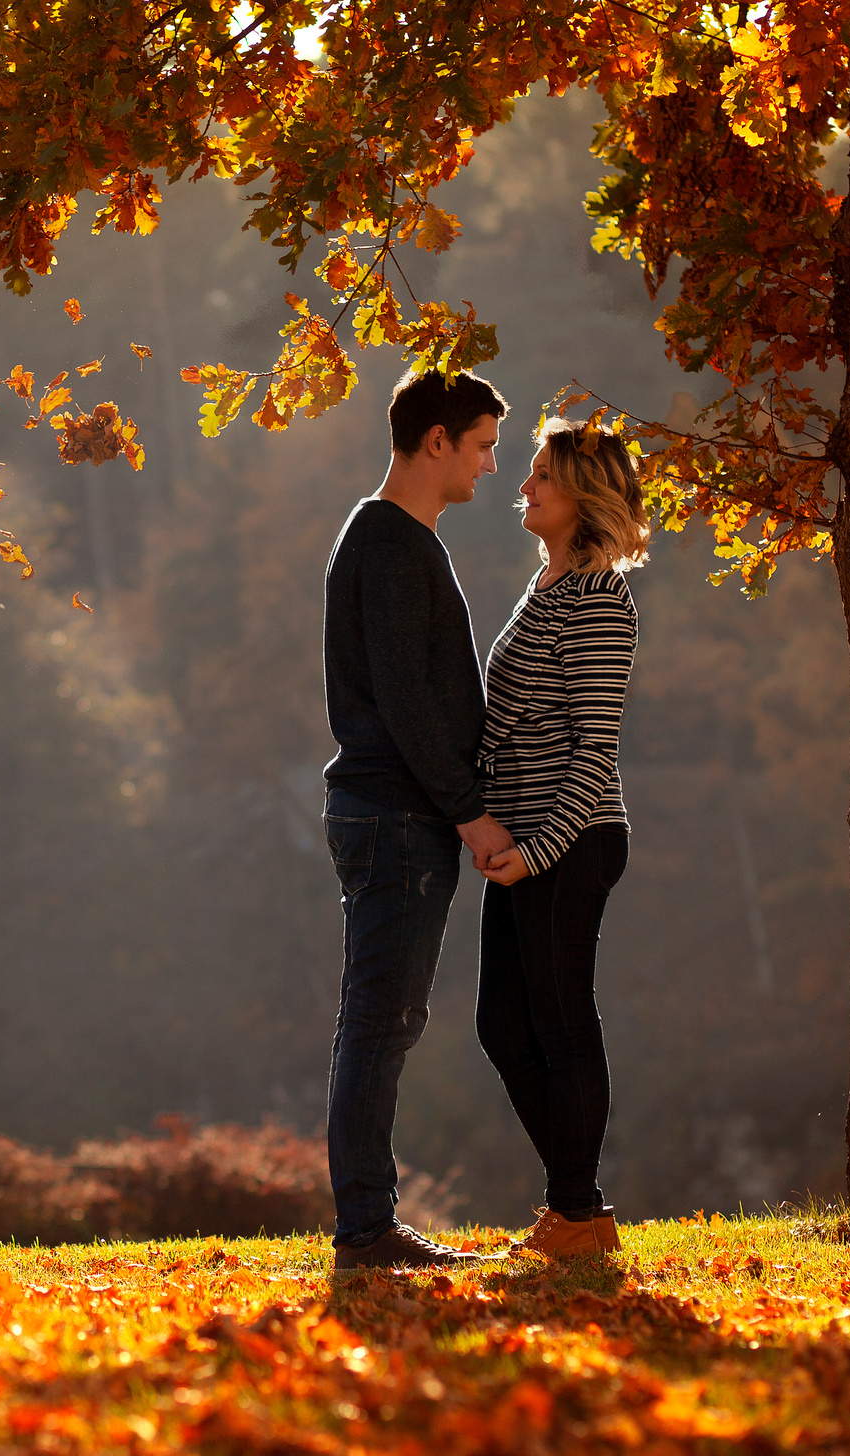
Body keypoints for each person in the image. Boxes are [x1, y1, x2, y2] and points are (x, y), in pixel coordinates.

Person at [321, 367, 515, 1272]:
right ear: (436, 440)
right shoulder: (393, 543)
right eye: (481, 446)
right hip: (396, 816)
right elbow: (406, 698)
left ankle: (369, 1223)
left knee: (383, 1018)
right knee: (380, 1021)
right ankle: (367, 1229)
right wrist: (470, 814)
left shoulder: (397, 539)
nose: (489, 466)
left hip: (394, 813)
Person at [475, 419, 647, 1257]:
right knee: (503, 1025)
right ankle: (579, 1208)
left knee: (559, 1022)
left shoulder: (599, 600)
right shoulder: (546, 586)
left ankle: (576, 1212)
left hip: (569, 841)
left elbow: (593, 751)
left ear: (583, 493)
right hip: (521, 843)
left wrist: (536, 852)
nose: (525, 485)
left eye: (542, 475)